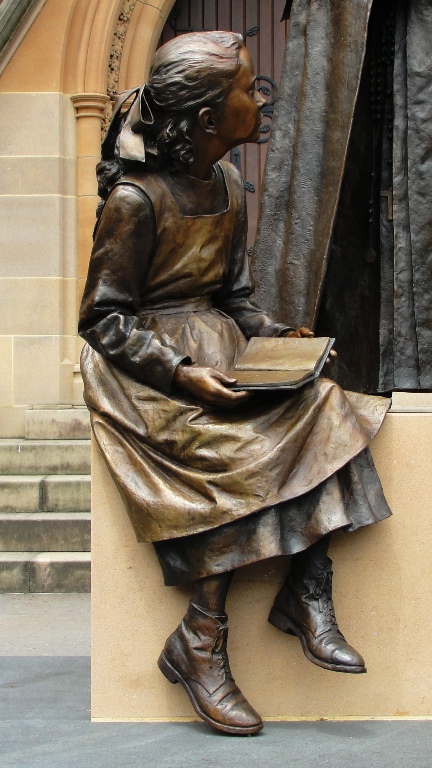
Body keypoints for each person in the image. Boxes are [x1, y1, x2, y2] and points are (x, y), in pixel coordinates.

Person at [79, 31, 391, 736]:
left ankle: (306, 590)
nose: (261, 98)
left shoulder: (224, 184)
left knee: (323, 404)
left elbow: (236, 298)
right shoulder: (135, 199)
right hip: (148, 368)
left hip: (217, 347)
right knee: (230, 448)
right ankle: (201, 635)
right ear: (207, 120)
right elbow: (102, 319)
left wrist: (275, 337)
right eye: (247, 90)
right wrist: (185, 375)